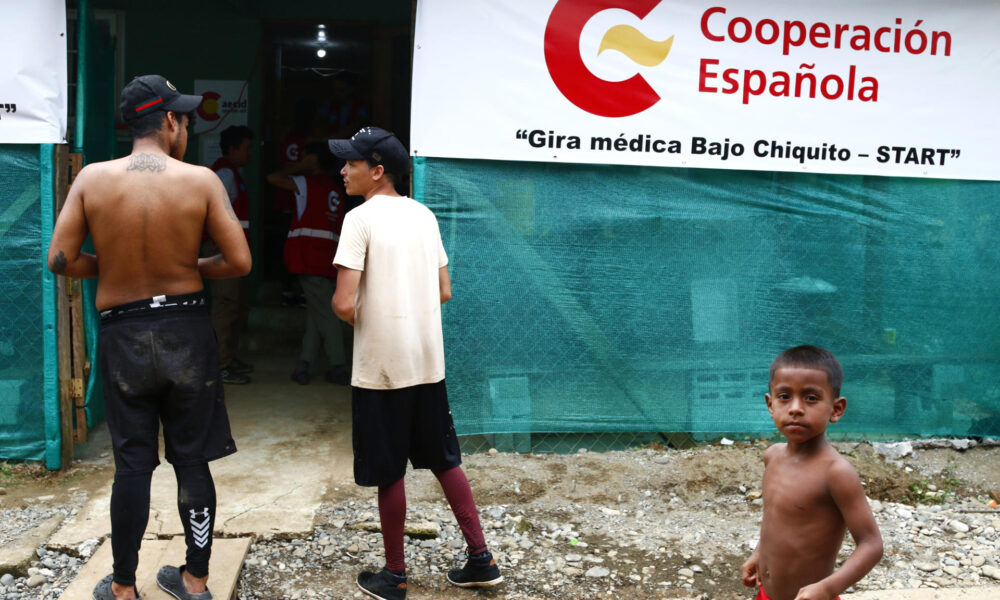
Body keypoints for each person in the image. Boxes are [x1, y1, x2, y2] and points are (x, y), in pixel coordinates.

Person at [47, 74, 251, 600]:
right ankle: (196, 580)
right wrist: (188, 264)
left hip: (124, 335)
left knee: (132, 464)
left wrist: (113, 264)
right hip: (186, 329)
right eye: (181, 117)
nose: (182, 124)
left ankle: (122, 588)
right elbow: (239, 261)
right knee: (191, 458)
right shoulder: (201, 180)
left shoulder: (93, 179)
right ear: (167, 121)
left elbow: (60, 258)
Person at [330, 127, 502, 600]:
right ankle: (480, 559)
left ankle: (395, 576)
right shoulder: (425, 215)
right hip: (428, 362)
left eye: (351, 163)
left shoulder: (359, 220)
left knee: (389, 470)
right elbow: (444, 290)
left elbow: (344, 304)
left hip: (382, 367)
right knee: (445, 461)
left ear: (377, 170)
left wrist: (374, 318)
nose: (343, 170)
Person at [741, 345, 883, 600]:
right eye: (784, 396)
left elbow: (872, 545)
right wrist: (759, 553)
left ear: (836, 409)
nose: (795, 408)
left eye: (811, 398)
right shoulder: (772, 456)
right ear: (770, 403)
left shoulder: (835, 473)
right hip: (766, 594)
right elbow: (776, 523)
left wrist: (828, 588)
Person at [266, 142, 351, 385]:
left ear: (314, 161)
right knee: (318, 312)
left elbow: (272, 178)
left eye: (306, 155)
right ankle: (303, 365)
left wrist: (299, 166)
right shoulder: (335, 188)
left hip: (310, 257)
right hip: (328, 257)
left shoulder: (307, 182)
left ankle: (338, 367)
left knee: (326, 314)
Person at [206, 125, 255, 384]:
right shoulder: (224, 172)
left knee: (235, 306)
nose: (250, 153)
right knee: (225, 308)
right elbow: (215, 213)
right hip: (223, 251)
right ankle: (219, 366)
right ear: (233, 148)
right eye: (246, 148)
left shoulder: (232, 172)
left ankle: (228, 357)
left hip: (233, 252)